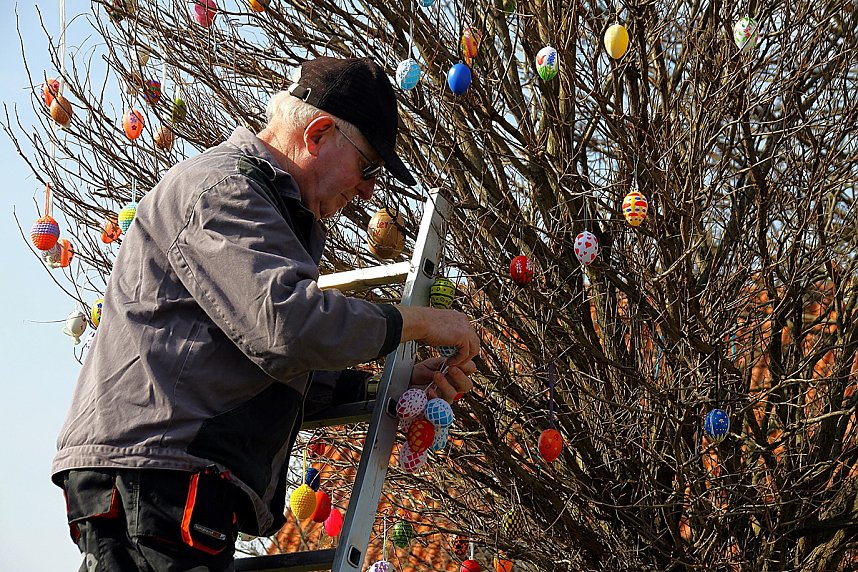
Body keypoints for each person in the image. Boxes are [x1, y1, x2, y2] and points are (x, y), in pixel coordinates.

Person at [52, 56, 480, 571]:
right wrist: (415, 322)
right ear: (319, 134)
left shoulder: (253, 204)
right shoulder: (226, 191)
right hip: (162, 476)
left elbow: (270, 360)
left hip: (167, 474)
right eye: (368, 168)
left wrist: (388, 381)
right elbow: (286, 327)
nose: (368, 191)